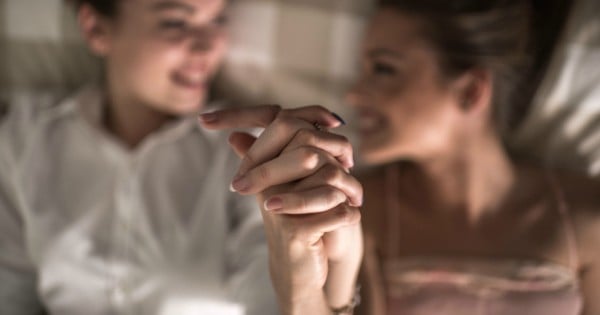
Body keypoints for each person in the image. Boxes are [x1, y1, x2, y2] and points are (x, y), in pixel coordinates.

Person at [204, 0, 600, 314]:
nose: (356, 95)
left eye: (384, 68)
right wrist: (296, 276)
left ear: (470, 91)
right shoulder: (361, 213)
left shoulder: (587, 217)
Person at [0, 0, 281, 314]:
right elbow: (10, 291)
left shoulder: (246, 152)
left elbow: (273, 296)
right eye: (175, 22)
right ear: (96, 29)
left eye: (217, 21)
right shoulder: (27, 138)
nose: (208, 47)